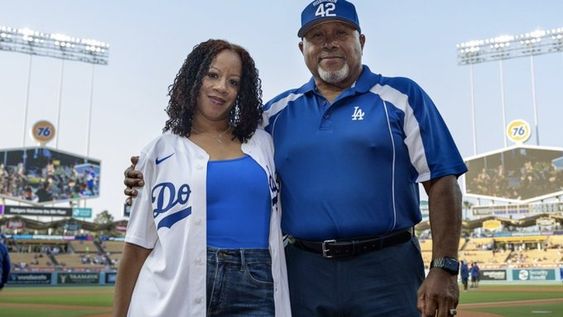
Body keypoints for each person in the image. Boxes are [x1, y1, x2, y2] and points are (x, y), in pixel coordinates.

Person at [124, 1, 467, 316]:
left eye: (340, 34)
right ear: (302, 48)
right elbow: (215, 140)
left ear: (361, 40)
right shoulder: (274, 114)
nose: (329, 43)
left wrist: (445, 265)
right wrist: (153, 168)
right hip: (303, 269)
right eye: (317, 36)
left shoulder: (401, 96)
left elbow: (443, 181)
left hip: (385, 267)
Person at [113, 39, 291, 317]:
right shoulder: (159, 151)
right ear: (194, 78)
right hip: (177, 285)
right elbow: (136, 247)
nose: (221, 87)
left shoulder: (263, 142)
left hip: (256, 282)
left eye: (233, 82)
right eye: (212, 75)